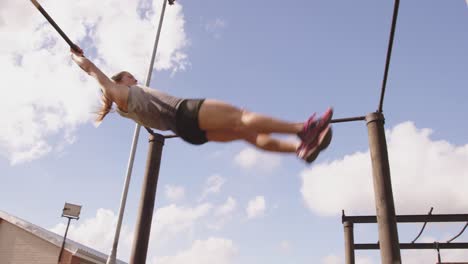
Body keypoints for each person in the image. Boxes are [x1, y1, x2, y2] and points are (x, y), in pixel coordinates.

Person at [70, 46, 333, 163]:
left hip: (186, 132)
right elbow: (93, 71)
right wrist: (78, 57)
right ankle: (303, 129)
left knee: (245, 132)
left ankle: (299, 149)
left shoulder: (128, 110)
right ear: (120, 81)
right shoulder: (121, 93)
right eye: (130, 76)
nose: (135, 78)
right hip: (184, 111)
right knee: (242, 117)